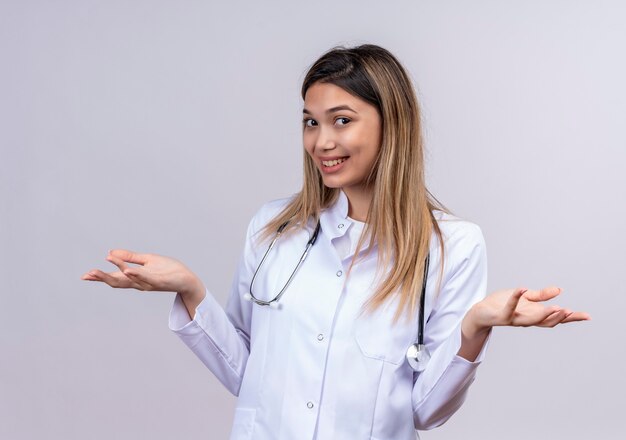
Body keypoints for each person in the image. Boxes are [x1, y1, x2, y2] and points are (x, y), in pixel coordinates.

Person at [82, 44, 589, 439]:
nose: (321, 141)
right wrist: (191, 291)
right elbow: (250, 380)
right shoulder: (272, 229)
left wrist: (476, 327)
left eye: (341, 120)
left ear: (393, 125)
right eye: (311, 122)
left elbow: (424, 412)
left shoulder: (452, 245)